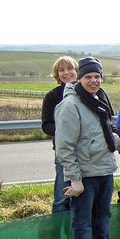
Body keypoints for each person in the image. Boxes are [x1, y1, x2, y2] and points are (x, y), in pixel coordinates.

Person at [55, 57, 120, 239]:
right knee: (83, 220)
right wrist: (75, 179)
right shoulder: (70, 105)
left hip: (104, 169)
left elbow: (106, 135)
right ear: (80, 78)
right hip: (84, 174)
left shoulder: (97, 101)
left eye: (97, 76)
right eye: (88, 77)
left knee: (103, 216)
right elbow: (64, 147)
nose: (93, 80)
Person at [41, 56, 78, 213]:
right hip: (63, 153)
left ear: (77, 70)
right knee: (62, 197)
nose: (66, 73)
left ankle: (78, 233)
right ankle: (55, 234)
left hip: (88, 152)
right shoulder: (52, 96)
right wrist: (66, 130)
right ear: (57, 75)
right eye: (61, 70)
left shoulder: (88, 92)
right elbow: (46, 125)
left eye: (69, 68)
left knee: (83, 198)